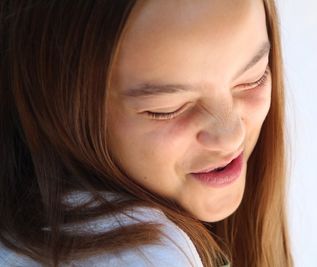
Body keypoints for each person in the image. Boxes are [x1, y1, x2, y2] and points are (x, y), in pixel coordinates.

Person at [0, 0, 293, 266]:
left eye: (254, 79)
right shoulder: (145, 257)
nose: (230, 135)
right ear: (56, 107)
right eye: (167, 109)